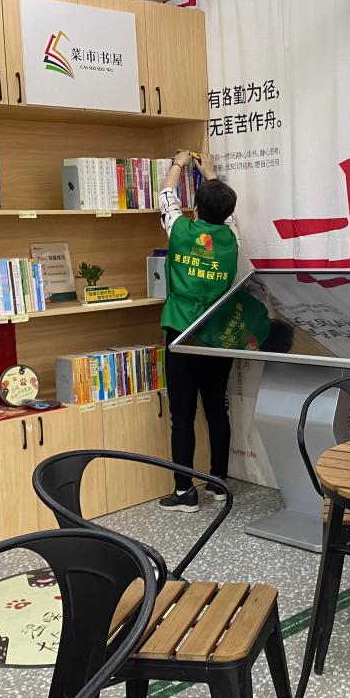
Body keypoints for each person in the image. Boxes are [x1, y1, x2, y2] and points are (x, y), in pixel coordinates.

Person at [157, 151, 239, 513]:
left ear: (196, 208)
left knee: (183, 415)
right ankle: (219, 483)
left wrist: (178, 164)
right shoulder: (232, 237)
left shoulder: (179, 230)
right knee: (217, 410)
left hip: (181, 331)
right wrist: (210, 173)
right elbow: (225, 211)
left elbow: (166, 196)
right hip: (219, 335)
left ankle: (183, 491)